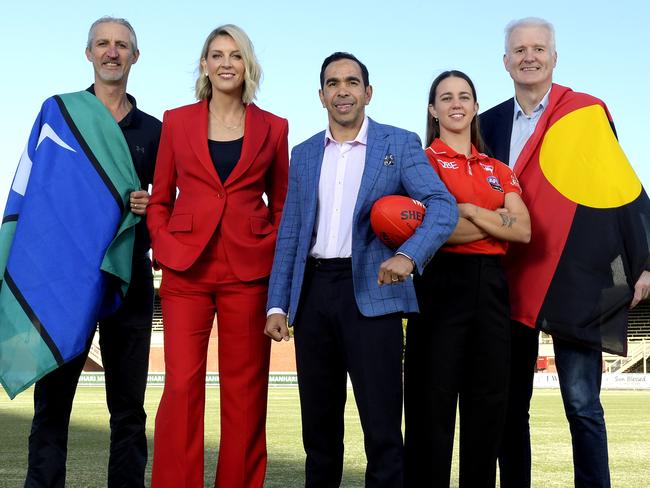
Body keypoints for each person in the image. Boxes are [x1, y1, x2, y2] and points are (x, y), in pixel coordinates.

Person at [264, 51, 458, 488]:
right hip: (313, 296)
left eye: (352, 82)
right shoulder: (305, 153)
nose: (343, 91)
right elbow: (291, 232)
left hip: (374, 292)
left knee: (384, 432)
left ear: (368, 92)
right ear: (321, 95)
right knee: (318, 433)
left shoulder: (399, 142)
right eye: (333, 84)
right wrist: (277, 303)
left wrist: (409, 256)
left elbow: (442, 206)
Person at [480, 17, 650, 488]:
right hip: (508, 281)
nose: (529, 56)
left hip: (574, 277)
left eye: (539, 48)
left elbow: (624, 192)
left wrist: (646, 262)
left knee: (582, 405)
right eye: (519, 50)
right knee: (510, 409)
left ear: (554, 58)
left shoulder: (586, 112)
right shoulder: (487, 123)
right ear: (506, 62)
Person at [21, 16, 161, 488]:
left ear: (135, 57)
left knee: (128, 412)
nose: (112, 52)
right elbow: (38, 192)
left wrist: (153, 203)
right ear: (89, 53)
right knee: (52, 406)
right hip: (66, 282)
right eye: (103, 43)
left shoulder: (155, 131)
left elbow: (172, 205)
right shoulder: (59, 114)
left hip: (130, 282)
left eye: (122, 45)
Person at [147, 24, 289, 488]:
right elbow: (160, 197)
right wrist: (165, 245)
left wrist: (272, 252)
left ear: (248, 64)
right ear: (205, 64)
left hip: (248, 270)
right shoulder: (176, 120)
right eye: (216, 54)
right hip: (186, 268)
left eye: (235, 55)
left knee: (245, 393)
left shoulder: (274, 127)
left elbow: (283, 203)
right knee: (182, 389)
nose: (226, 62)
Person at [404, 70, 530, 487]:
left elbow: (524, 230)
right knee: (431, 406)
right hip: (440, 283)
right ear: (432, 109)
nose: (456, 103)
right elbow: (431, 230)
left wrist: (468, 211)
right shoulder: (419, 160)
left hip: (492, 287)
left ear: (475, 106)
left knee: (488, 407)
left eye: (464, 96)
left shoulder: (499, 168)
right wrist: (496, 219)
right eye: (445, 97)